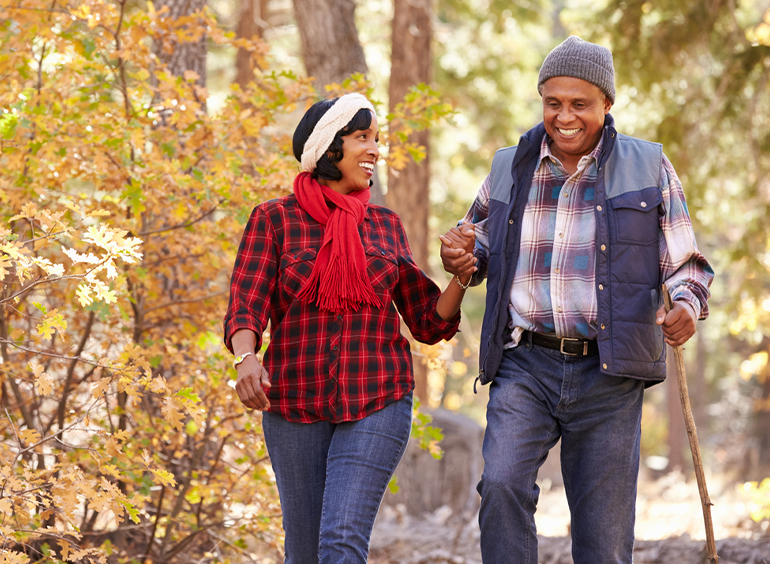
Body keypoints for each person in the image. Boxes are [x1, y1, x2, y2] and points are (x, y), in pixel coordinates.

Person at [440, 36, 714, 564]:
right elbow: (474, 247)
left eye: (579, 104)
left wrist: (685, 305)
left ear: (607, 105)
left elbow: (686, 264)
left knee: (603, 538)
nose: (564, 116)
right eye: (553, 103)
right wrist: (460, 256)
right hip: (525, 363)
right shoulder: (508, 166)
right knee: (500, 485)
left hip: (610, 372)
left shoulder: (649, 167)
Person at [223, 93, 476, 564]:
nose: (375, 149)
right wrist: (246, 358)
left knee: (340, 538)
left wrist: (460, 275)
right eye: (362, 137)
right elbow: (246, 305)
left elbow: (426, 319)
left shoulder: (385, 226)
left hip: (378, 397)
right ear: (328, 148)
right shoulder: (273, 220)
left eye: (376, 138)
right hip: (294, 402)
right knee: (303, 551)